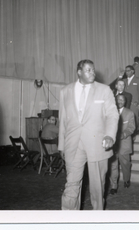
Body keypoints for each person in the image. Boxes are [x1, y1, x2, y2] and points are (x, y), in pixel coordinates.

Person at [58, 59, 119, 210]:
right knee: (71, 184)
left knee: (98, 189)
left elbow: (112, 114)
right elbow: (63, 120)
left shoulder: (104, 90)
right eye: (88, 70)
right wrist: (61, 145)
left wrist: (110, 135)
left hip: (98, 144)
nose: (93, 73)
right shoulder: (65, 91)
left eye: (93, 70)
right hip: (73, 144)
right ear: (79, 72)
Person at [109, 94, 135, 194]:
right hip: (112, 144)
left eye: (122, 100)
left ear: (125, 102)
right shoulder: (110, 112)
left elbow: (131, 128)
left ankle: (126, 179)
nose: (120, 101)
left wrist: (123, 134)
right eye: (118, 99)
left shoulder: (129, 113)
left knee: (125, 164)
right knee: (113, 165)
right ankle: (114, 186)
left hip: (124, 143)